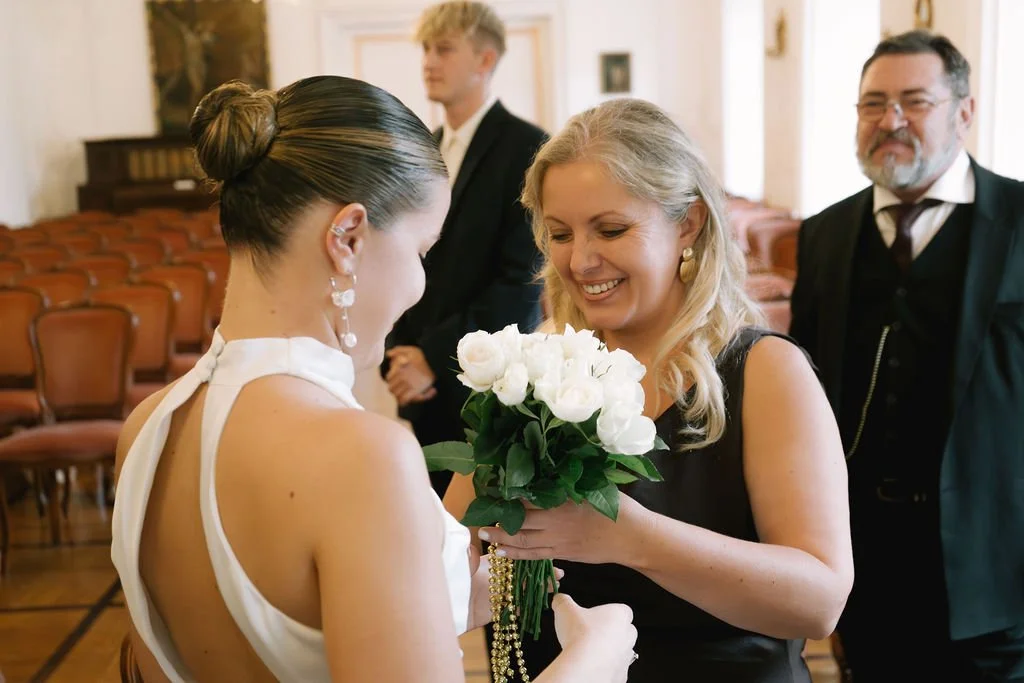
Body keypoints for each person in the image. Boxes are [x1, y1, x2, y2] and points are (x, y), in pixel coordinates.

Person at [109, 75, 637, 683]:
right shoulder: (362, 455)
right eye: (421, 251)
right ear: (348, 237)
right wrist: (591, 661)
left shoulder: (146, 428)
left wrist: (431, 610)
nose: (419, 285)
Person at [445, 98, 854, 682]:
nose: (581, 260)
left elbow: (819, 602)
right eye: (559, 233)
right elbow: (451, 548)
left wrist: (629, 537)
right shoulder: (534, 366)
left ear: (688, 223)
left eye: (611, 230)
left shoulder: (765, 371)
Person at [789, 30, 1024, 682]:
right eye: (873, 103)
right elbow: (805, 392)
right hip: (865, 561)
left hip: (996, 566)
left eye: (915, 101)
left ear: (964, 111)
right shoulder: (825, 233)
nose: (890, 120)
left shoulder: (1019, 219)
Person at [384, 1, 547, 497]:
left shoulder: (528, 148)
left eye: (444, 49)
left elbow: (520, 282)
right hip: (419, 386)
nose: (429, 62)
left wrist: (433, 358)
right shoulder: (423, 149)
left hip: (482, 382)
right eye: (426, 50)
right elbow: (402, 255)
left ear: (484, 59)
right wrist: (399, 357)